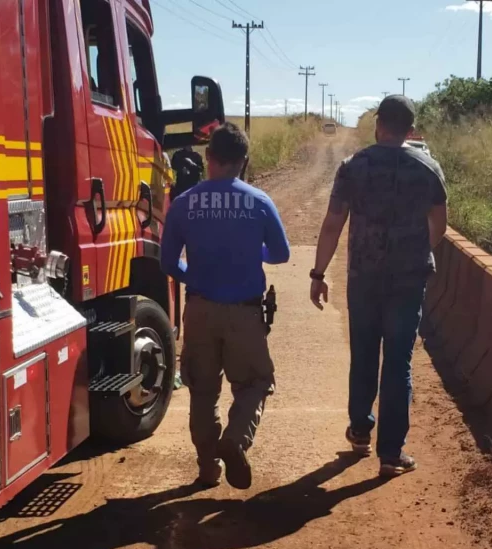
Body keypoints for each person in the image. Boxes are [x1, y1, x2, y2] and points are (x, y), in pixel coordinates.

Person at [309, 95, 448, 477]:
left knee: (365, 353)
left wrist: (318, 273)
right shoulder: (428, 168)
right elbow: (440, 224)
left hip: (364, 278)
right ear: (410, 128)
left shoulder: (354, 167)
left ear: (378, 124)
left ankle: (359, 429)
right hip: (408, 278)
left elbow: (333, 223)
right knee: (398, 362)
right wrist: (420, 249)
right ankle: (391, 453)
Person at [160, 122, 291, 490]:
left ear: (208, 158)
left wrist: (196, 277)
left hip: (200, 309)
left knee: (202, 390)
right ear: (244, 161)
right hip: (244, 313)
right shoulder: (259, 202)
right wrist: (254, 253)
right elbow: (280, 254)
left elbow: (168, 263)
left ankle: (207, 468)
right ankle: (235, 439)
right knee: (255, 382)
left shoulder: (184, 204)